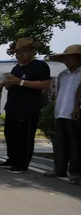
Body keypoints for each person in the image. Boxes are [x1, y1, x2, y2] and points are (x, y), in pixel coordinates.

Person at [1, 37, 51, 174]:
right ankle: (12, 159)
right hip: (12, 106)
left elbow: (45, 84)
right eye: (17, 52)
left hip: (28, 108)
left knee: (24, 136)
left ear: (33, 51)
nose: (19, 55)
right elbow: (11, 86)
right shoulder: (16, 67)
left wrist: (21, 82)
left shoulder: (40, 66)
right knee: (10, 134)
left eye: (23, 51)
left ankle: (21, 164)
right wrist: (9, 83)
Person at [44, 44, 81, 184]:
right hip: (61, 112)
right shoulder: (62, 75)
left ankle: (76, 173)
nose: (66, 60)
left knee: (76, 144)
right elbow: (60, 93)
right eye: (64, 58)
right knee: (59, 143)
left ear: (77, 58)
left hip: (75, 114)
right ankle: (59, 168)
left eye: (69, 57)